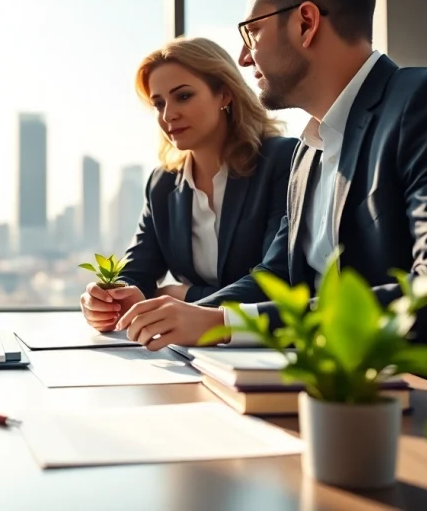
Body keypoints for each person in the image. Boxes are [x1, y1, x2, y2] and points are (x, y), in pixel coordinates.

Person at [116, 0, 427, 357]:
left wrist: (221, 324)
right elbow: (278, 277)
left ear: (305, 23)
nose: (243, 57)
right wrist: (179, 317)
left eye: (252, 31)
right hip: (334, 393)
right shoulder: (308, 152)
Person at [79, 37, 297, 335]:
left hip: (266, 349)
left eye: (183, 96)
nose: (168, 114)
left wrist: (186, 299)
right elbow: (138, 271)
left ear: (224, 95)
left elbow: (277, 280)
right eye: (158, 103)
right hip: (190, 353)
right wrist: (110, 299)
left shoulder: (282, 160)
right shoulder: (163, 184)